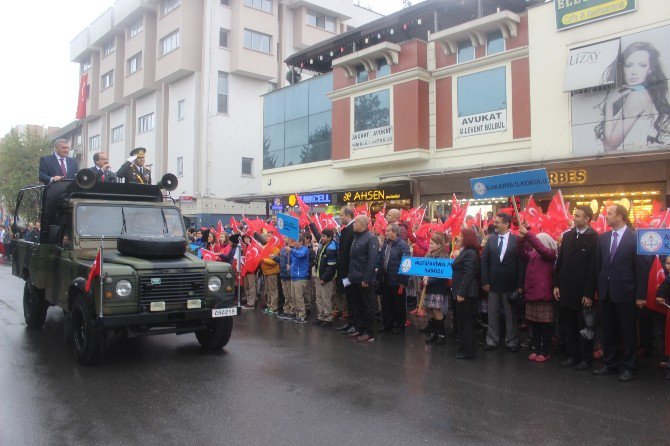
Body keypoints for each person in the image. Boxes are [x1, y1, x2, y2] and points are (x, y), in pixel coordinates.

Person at [587, 204, 650, 382]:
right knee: (608, 330)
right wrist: (593, 291)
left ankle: (629, 366)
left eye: (609, 214)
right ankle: (610, 363)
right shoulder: (603, 238)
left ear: (620, 216)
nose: (605, 216)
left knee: (628, 331)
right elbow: (597, 267)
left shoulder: (635, 237)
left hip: (627, 293)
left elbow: (642, 269)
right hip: (606, 293)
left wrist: (640, 295)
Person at [596, 42, 670, 151]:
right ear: (623, 68)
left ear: (650, 69)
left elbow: (609, 145)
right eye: (629, 65)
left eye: (642, 65)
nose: (634, 72)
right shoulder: (645, 93)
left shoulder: (637, 96)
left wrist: (609, 104)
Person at [553, 205, 598, 370]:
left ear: (587, 219)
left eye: (578, 216)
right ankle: (573, 355)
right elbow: (561, 262)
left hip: (582, 292)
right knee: (569, 325)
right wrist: (556, 284)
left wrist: (589, 293)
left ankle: (586, 358)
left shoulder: (594, 238)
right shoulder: (568, 235)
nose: (574, 218)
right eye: (575, 215)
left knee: (584, 327)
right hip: (566, 289)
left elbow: (594, 268)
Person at [481, 212, 525, 352]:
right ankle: (492, 340)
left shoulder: (516, 240)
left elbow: (520, 264)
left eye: (498, 222)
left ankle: (511, 341)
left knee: (510, 314)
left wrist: (519, 285)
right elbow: (485, 261)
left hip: (510, 284)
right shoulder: (491, 240)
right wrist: (485, 281)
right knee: (492, 313)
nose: (495, 224)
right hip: (493, 284)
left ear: (506, 224)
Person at [518, 226, 558, 363]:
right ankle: (536, 349)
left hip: (543, 295)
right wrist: (521, 240)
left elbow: (541, 249)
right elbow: (521, 253)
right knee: (534, 325)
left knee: (545, 326)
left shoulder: (550, 254)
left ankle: (545, 351)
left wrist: (529, 235)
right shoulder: (533, 255)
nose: (535, 244)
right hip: (532, 293)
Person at [347, 215, 379, 343]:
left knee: (368, 306)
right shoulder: (356, 237)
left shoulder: (371, 238)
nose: (353, 224)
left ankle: (368, 332)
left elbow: (372, 260)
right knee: (358, 306)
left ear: (363, 225)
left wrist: (366, 278)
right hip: (355, 278)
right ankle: (359, 329)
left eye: (356, 223)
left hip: (365, 280)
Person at [453, 228, 481, 359]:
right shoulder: (466, 251)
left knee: (467, 322)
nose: (458, 237)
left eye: (460, 235)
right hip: (463, 291)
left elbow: (468, 274)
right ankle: (463, 348)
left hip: (467, 293)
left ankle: (467, 351)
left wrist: (461, 293)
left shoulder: (470, 253)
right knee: (462, 321)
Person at [378, 223, 411, 334]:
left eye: (388, 231)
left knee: (398, 304)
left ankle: (399, 325)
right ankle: (387, 324)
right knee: (386, 303)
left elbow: (406, 265)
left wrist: (403, 282)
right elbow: (381, 259)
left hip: (397, 280)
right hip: (386, 278)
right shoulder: (386, 244)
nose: (385, 232)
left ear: (394, 232)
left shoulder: (403, 246)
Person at [422, 232, 450, 345]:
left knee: (437, 310)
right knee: (430, 310)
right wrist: (423, 277)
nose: (430, 245)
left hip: (438, 288)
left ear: (439, 245)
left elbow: (443, 275)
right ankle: (434, 333)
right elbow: (422, 269)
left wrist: (429, 280)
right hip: (428, 287)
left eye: (432, 243)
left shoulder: (444, 257)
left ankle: (441, 334)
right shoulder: (428, 255)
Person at [336, 206, 358, 334]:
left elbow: (351, 253)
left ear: (348, 215)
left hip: (349, 272)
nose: (340, 217)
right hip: (345, 271)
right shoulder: (346, 230)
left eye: (341, 215)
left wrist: (349, 272)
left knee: (352, 299)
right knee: (349, 298)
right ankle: (350, 322)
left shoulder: (351, 230)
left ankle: (353, 323)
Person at [314, 228, 338, 326]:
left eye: (324, 236)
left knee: (326, 298)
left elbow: (331, 266)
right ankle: (321, 316)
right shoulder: (323, 244)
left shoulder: (331, 248)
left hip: (325, 278)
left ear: (329, 237)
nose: (321, 238)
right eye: (322, 236)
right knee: (319, 298)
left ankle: (328, 318)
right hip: (319, 275)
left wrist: (324, 278)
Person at [288, 235, 310, 324]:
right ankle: (297, 314)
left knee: (299, 297)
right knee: (293, 297)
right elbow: (294, 261)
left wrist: (291, 250)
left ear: (301, 242)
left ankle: (302, 316)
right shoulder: (295, 250)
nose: (293, 243)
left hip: (300, 277)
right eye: (293, 241)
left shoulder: (304, 249)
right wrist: (290, 267)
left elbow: (300, 255)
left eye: (295, 241)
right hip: (293, 276)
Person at [276, 237, 294, 320]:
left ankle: (292, 311)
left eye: (286, 237)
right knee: (286, 295)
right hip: (283, 274)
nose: (284, 239)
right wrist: (275, 258)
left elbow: (294, 260)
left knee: (291, 295)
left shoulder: (293, 249)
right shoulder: (283, 249)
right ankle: (286, 310)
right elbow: (281, 260)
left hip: (290, 275)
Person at [261, 243, 280, 316]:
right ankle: (269, 306)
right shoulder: (265, 248)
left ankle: (274, 308)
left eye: (269, 235)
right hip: (266, 272)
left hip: (272, 272)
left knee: (273, 290)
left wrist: (263, 259)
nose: (268, 237)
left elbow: (273, 262)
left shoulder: (276, 249)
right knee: (268, 290)